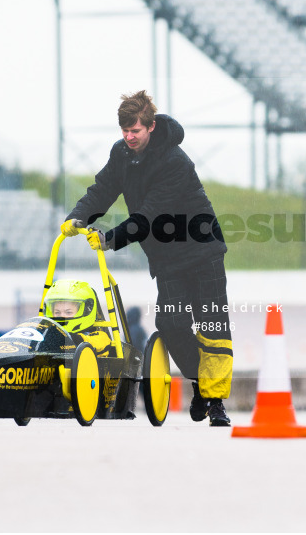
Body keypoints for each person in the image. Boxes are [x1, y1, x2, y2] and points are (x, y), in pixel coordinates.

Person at [60, 90, 232, 426]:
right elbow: (103, 189)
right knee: (171, 324)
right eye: (124, 130)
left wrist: (111, 240)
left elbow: (150, 215)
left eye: (135, 130)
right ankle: (202, 386)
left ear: (151, 127)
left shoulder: (175, 162)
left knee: (212, 328)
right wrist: (78, 216)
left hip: (202, 252)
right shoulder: (122, 154)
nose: (129, 137)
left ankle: (216, 403)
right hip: (167, 259)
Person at [44, 279, 114, 356]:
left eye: (68, 312)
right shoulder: (49, 335)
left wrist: (73, 338)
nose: (62, 316)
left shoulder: (99, 336)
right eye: (57, 312)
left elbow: (99, 343)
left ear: (86, 311)